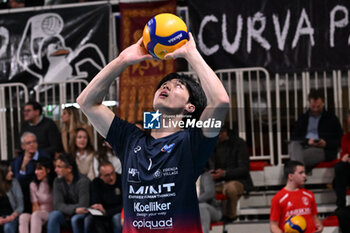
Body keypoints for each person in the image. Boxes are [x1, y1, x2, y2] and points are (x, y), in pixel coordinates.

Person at [76, 33, 229, 232]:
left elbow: (221, 102)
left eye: (178, 86)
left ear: (190, 107)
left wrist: (191, 54)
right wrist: (122, 60)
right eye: (164, 84)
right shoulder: (129, 139)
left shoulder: (193, 142)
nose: (167, 85)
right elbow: (85, 102)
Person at [289, 89, 343, 171]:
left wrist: (326, 143)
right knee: (294, 145)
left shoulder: (331, 119)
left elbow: (340, 139)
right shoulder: (302, 118)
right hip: (304, 146)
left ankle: (298, 179)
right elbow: (294, 137)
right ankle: (300, 177)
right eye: (313, 107)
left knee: (295, 159)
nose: (315, 109)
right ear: (309, 103)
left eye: (318, 106)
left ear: (323, 103)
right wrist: (307, 141)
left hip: (322, 150)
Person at [209, 126, 253, 221]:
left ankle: (230, 216)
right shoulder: (211, 146)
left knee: (231, 188)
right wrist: (209, 173)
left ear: (224, 132)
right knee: (201, 189)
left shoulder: (239, 144)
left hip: (238, 181)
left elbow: (244, 169)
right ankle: (210, 216)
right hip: (216, 182)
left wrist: (225, 173)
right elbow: (206, 165)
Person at [270, 160, 323, 233]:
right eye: (301, 173)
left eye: (304, 172)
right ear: (291, 176)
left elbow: (315, 217)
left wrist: (319, 225)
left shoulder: (309, 195)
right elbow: (273, 225)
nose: (304, 175)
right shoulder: (278, 198)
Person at [47, 153, 90, 233]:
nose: (55, 170)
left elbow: (83, 205)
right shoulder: (57, 181)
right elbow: (57, 205)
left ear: (69, 168)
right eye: (55, 167)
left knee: (75, 219)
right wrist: (73, 210)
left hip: (82, 215)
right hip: (66, 215)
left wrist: (67, 210)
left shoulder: (83, 181)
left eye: (59, 167)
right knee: (54, 215)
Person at [12, 132, 50, 213]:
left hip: (42, 192)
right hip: (25, 195)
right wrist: (23, 166)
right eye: (28, 143)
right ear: (23, 146)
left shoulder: (45, 156)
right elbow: (17, 181)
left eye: (34, 142)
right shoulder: (18, 160)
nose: (32, 144)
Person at [84, 161, 123, 233]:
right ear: (100, 176)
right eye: (107, 175)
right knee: (89, 220)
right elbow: (95, 202)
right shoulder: (96, 183)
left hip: (117, 212)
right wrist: (97, 207)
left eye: (112, 173)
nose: (111, 177)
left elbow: (125, 205)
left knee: (116, 218)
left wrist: (107, 212)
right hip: (102, 214)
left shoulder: (121, 180)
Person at [19, 158, 54, 233]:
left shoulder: (54, 183)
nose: (36, 172)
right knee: (23, 217)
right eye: (35, 169)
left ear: (48, 170)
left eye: (39, 169)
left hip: (51, 214)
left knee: (36, 215)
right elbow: (35, 206)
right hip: (38, 214)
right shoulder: (33, 184)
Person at [0, 160, 24, 233]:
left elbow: (21, 206)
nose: (12, 173)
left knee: (8, 227)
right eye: (9, 171)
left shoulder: (14, 183)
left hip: (12, 217)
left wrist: (11, 217)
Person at [333, 110, 350, 209]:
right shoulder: (345, 138)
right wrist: (344, 159)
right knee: (339, 167)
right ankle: (341, 205)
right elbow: (344, 155)